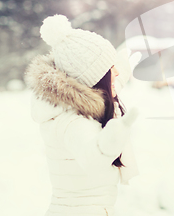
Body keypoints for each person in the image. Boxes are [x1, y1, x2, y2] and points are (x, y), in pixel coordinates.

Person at [25, 14, 139, 216]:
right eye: (111, 69)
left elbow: (111, 83)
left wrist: (123, 61)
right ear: (95, 78)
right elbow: (93, 157)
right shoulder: (74, 122)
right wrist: (113, 136)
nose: (118, 74)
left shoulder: (88, 102)